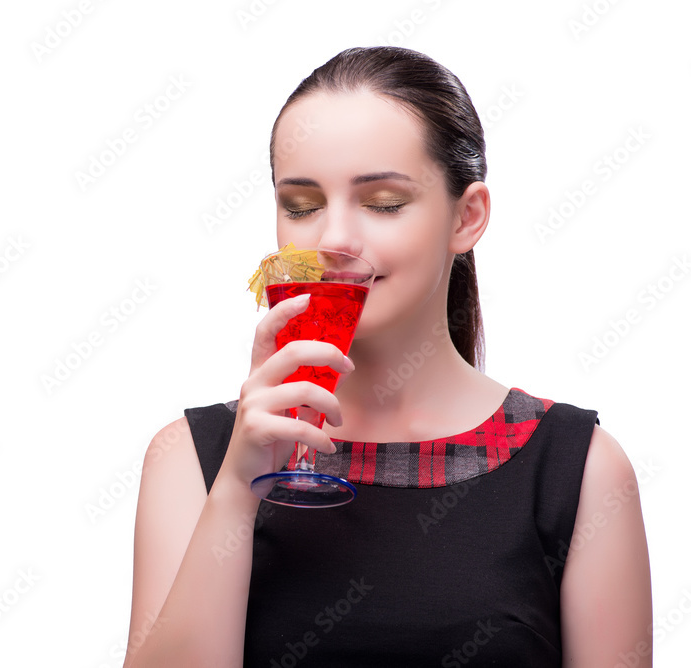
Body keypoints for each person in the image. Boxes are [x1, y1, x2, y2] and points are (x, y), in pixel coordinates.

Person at [123, 46, 652, 667]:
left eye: (381, 203)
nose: (334, 239)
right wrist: (239, 486)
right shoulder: (189, 458)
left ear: (468, 216)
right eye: (302, 205)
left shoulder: (579, 469)